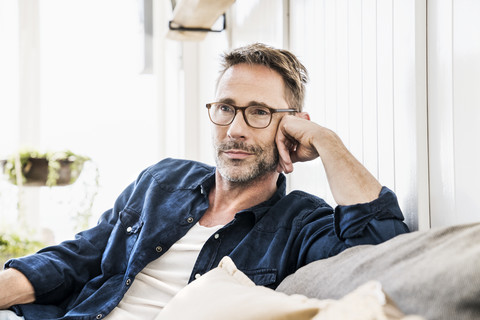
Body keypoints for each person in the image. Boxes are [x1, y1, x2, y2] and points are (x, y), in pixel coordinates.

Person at [0, 43, 409, 320]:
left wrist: (328, 142)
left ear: (293, 125)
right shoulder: (162, 180)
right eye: (226, 108)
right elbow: (80, 255)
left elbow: (381, 251)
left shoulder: (301, 221)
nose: (236, 129)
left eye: (259, 112)